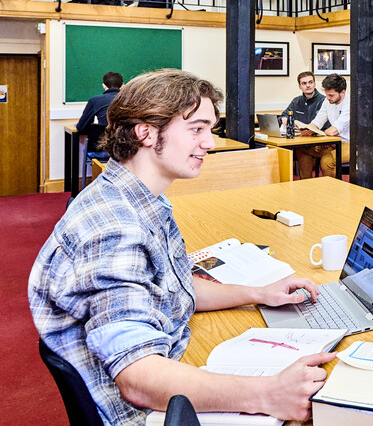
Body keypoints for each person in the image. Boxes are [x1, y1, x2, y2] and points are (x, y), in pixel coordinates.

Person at [29, 69, 333, 425]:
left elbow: (175, 289)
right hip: (146, 410)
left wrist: (260, 292)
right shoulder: (114, 229)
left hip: (170, 366)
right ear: (145, 131)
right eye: (197, 129)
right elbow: (138, 378)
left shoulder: (139, 199)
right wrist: (267, 394)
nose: (210, 143)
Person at [295, 73, 350, 179]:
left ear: (342, 92)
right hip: (332, 142)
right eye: (327, 94)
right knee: (302, 150)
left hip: (350, 144)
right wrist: (307, 129)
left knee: (327, 162)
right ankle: (306, 187)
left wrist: (321, 134)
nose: (328, 98)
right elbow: (317, 121)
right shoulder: (327, 100)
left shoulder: (349, 104)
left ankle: (330, 194)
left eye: (331, 95)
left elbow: (334, 131)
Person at [76, 71, 123, 154]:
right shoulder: (130, 100)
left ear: (104, 85)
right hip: (125, 151)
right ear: (122, 85)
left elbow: (81, 127)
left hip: (102, 150)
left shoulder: (95, 100)